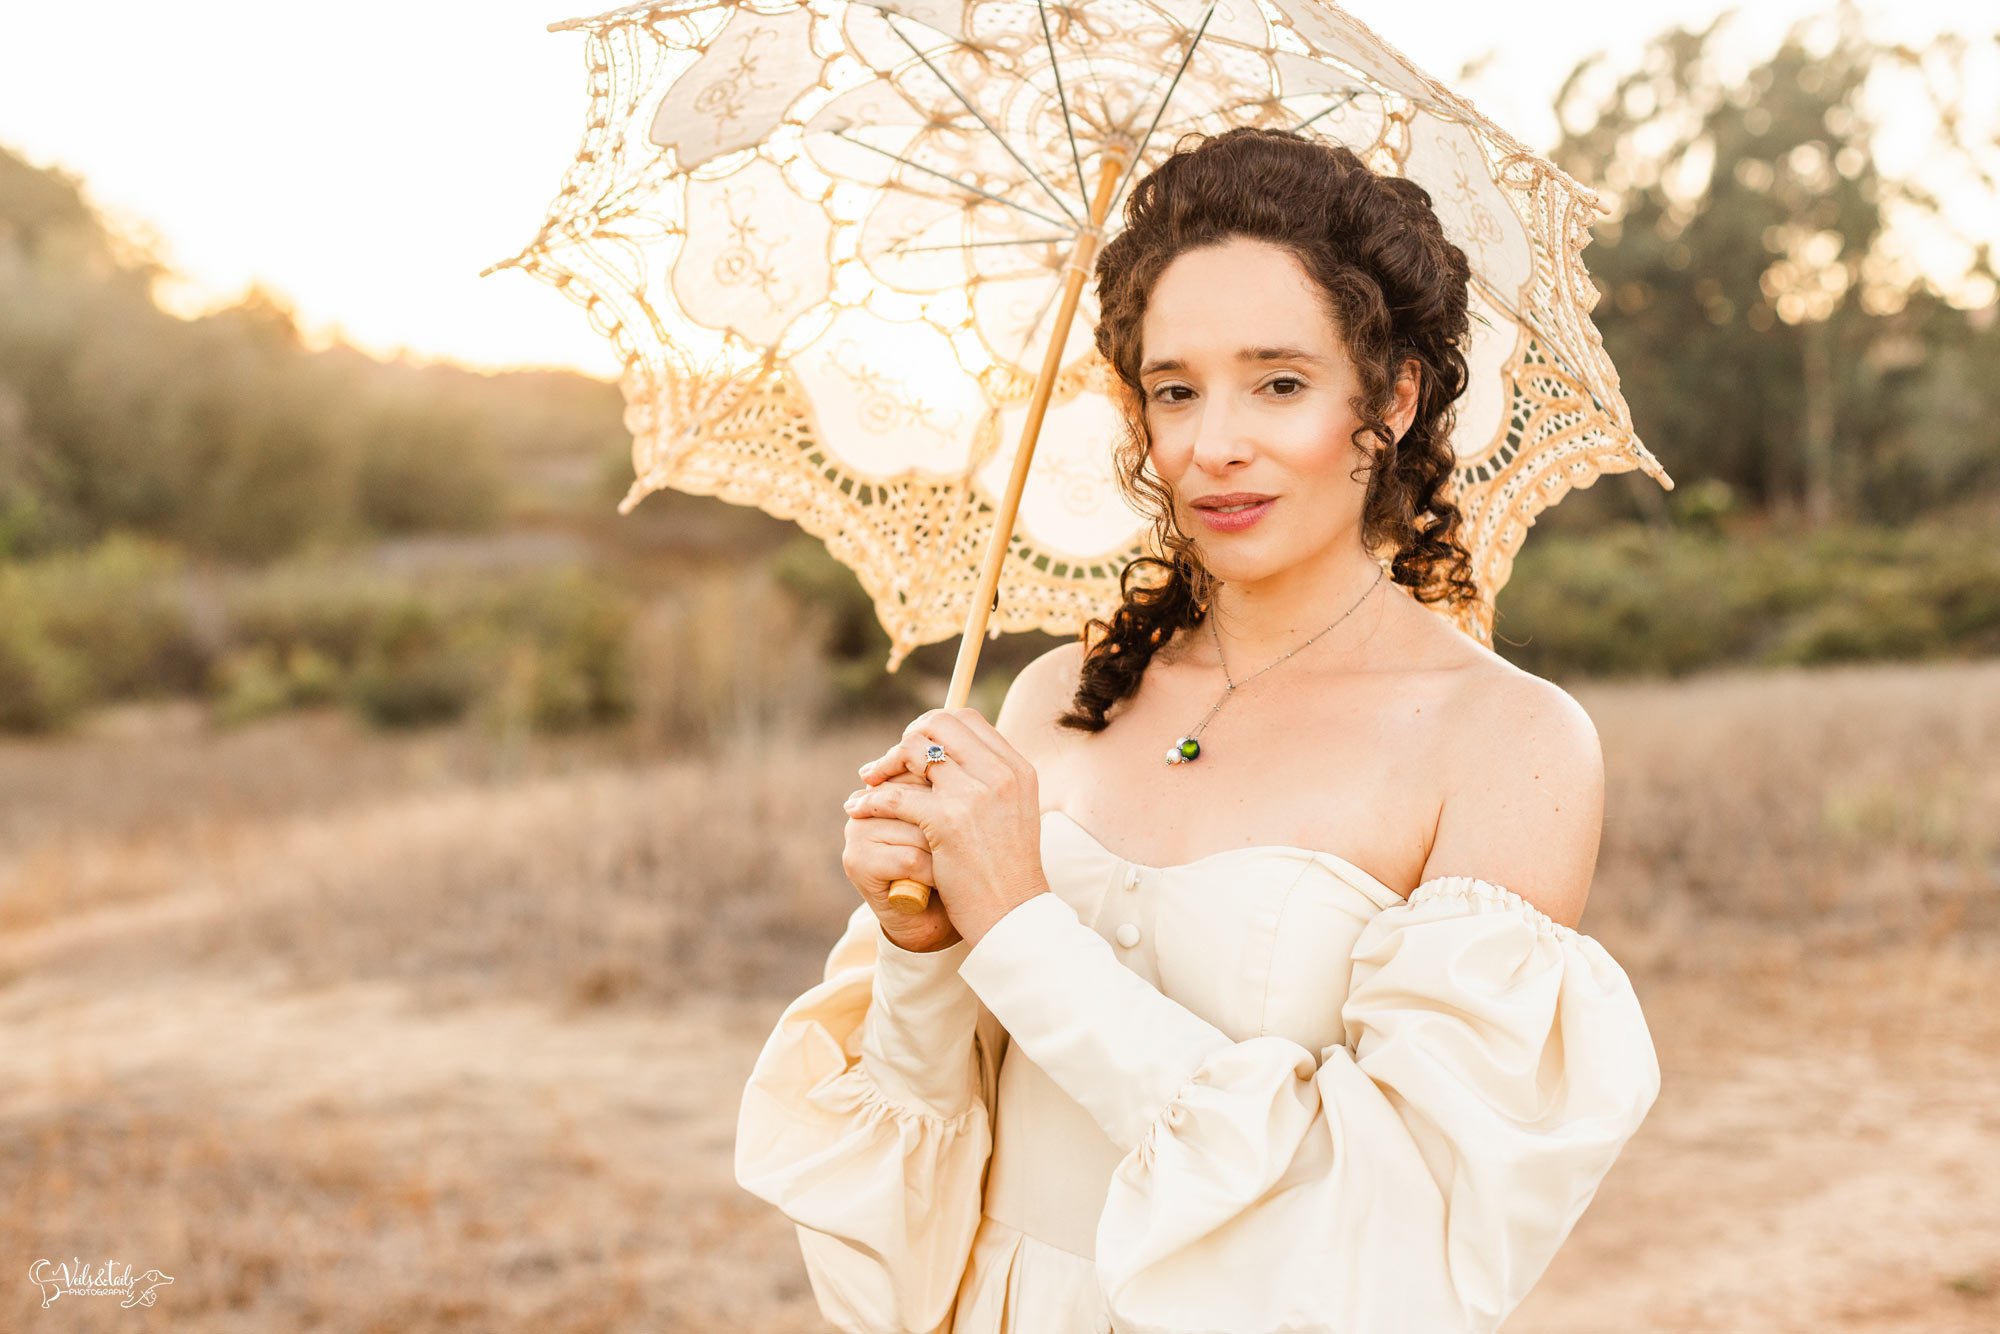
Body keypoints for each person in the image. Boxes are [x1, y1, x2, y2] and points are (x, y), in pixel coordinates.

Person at [733, 126, 1662, 1333]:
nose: (1212, 443)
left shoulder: (1507, 743)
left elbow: (1388, 1239)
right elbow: (932, 1157)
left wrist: (1019, 925)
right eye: (1173, 389)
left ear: (1387, 396)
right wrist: (920, 945)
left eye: (1277, 382)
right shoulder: (1052, 701)